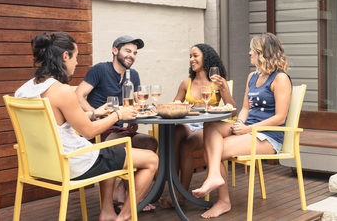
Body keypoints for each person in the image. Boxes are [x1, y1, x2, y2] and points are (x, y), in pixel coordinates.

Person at [15, 32, 158, 221]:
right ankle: (124, 217)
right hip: (77, 162)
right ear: (65, 56)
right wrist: (117, 115)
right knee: (151, 160)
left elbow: (59, 119)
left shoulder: (23, 90)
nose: (77, 63)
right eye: (76, 57)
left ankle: (107, 211)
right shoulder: (62, 91)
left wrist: (94, 113)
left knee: (120, 148)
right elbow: (88, 131)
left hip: (44, 164)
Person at [191, 33, 292, 218]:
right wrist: (239, 124)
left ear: (263, 53)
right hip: (248, 129)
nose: (249, 53)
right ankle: (214, 176)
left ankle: (223, 201)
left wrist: (247, 129)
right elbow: (245, 108)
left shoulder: (280, 79)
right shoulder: (252, 77)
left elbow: (279, 117)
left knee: (213, 151)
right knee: (210, 126)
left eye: (252, 50)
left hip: (268, 136)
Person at [161, 44, 236, 208]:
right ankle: (170, 185)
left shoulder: (217, 83)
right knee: (174, 134)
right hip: (188, 124)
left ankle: (181, 193)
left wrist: (224, 89)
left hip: (208, 127)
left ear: (206, 58)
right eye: (190, 56)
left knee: (186, 145)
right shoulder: (186, 83)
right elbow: (175, 105)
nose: (191, 59)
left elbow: (232, 110)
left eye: (195, 56)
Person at [75, 35, 157, 152]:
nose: (132, 56)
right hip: (98, 129)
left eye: (135, 53)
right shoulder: (100, 69)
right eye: (128, 51)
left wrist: (133, 119)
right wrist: (95, 113)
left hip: (118, 129)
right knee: (130, 145)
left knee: (150, 142)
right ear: (115, 50)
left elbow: (137, 103)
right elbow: (78, 96)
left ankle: (136, 169)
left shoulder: (133, 75)